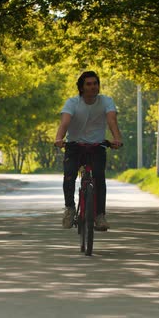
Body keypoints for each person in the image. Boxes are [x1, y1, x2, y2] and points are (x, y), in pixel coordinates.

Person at [54, 71, 122, 231]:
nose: (93, 87)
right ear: (81, 87)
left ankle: (100, 216)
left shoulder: (106, 101)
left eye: (95, 83)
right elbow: (65, 122)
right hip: (74, 146)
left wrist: (117, 139)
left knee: (99, 178)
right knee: (69, 176)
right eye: (89, 84)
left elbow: (112, 120)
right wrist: (59, 139)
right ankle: (70, 209)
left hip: (97, 146)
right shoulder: (72, 103)